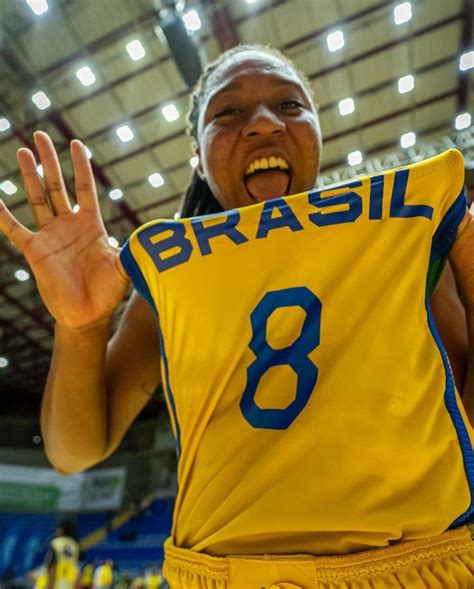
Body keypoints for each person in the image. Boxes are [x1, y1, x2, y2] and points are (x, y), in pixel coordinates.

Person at [0, 44, 473, 588]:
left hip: (412, 564)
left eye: (291, 106)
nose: (265, 124)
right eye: (228, 112)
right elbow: (73, 452)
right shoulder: (172, 274)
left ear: (320, 134)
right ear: (198, 156)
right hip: (221, 572)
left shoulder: (398, 237)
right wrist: (80, 327)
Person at [43, 521, 80, 589]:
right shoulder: (75, 546)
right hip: (69, 585)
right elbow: (77, 570)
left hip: (55, 585)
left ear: (61, 529)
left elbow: (53, 567)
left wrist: (49, 587)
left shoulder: (55, 543)